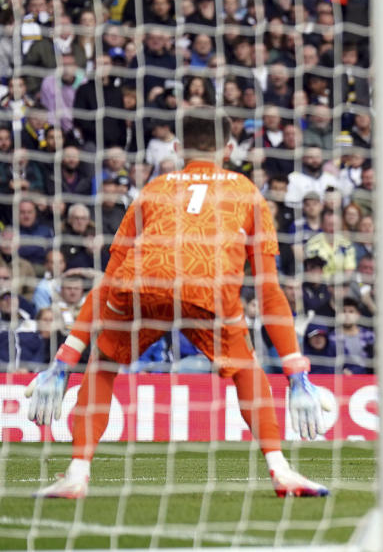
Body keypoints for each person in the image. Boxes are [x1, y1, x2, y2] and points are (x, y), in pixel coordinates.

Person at [24, 110, 329, 498]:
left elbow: (109, 279)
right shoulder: (246, 190)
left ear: (178, 148)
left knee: (101, 366)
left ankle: (76, 473)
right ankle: (281, 470)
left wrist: (65, 360)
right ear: (230, 148)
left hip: (143, 283)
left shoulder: (152, 189)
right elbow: (269, 290)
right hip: (208, 287)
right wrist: (295, 372)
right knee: (246, 369)